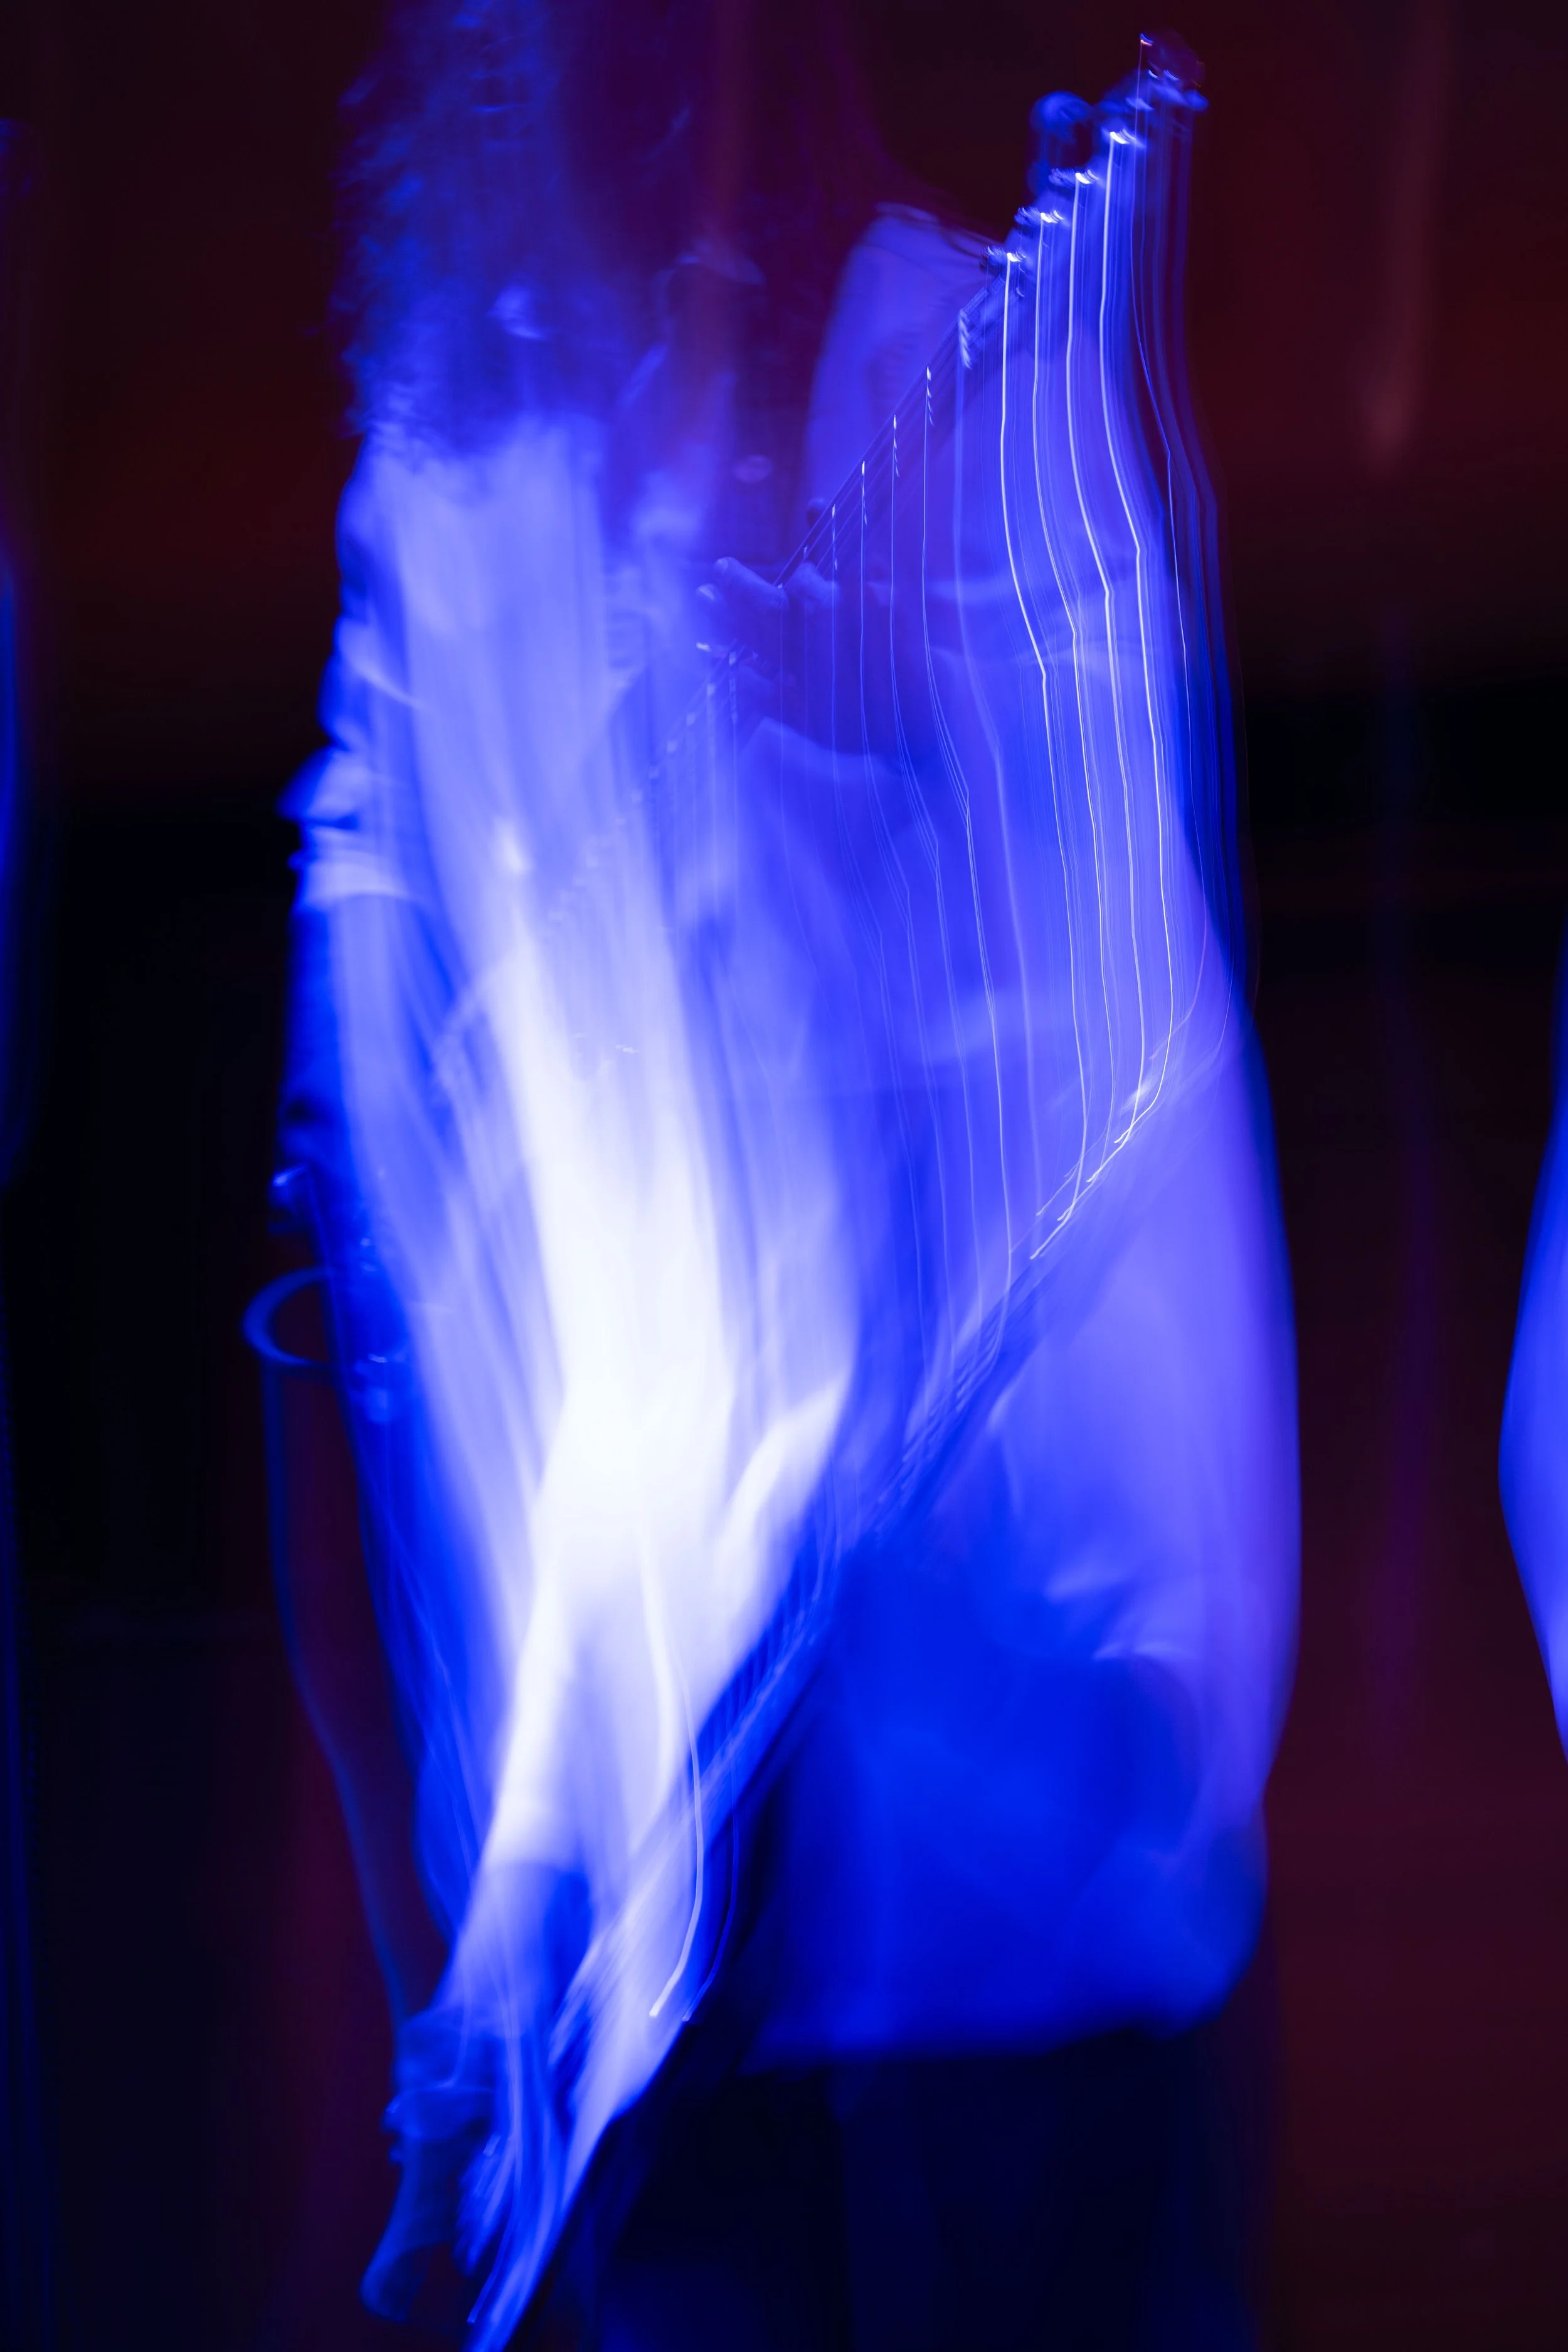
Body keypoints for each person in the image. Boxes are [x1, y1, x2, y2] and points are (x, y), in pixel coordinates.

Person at [272, 8, 1300, 2342]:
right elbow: (444, 1178)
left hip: (1022, 1872)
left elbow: (1076, 1086)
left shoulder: (966, 401)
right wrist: (520, 1891)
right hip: (665, 1938)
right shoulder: (464, 495)